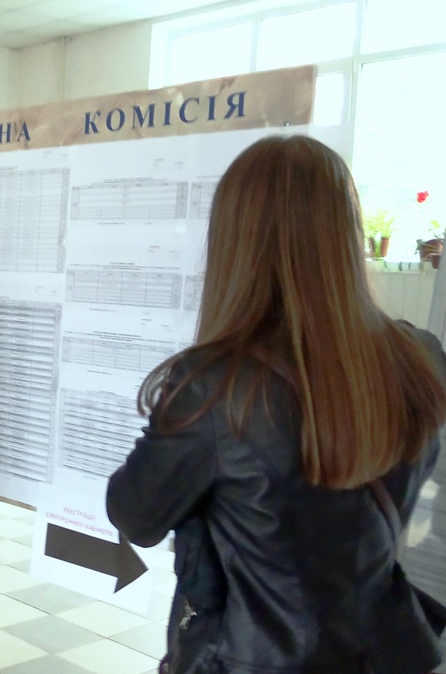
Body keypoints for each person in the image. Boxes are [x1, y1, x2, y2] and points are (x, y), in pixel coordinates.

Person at [106, 135, 446, 674]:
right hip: (384, 652)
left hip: (253, 659)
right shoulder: (420, 355)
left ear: (235, 242)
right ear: (345, 232)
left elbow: (136, 515)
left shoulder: (214, 384)